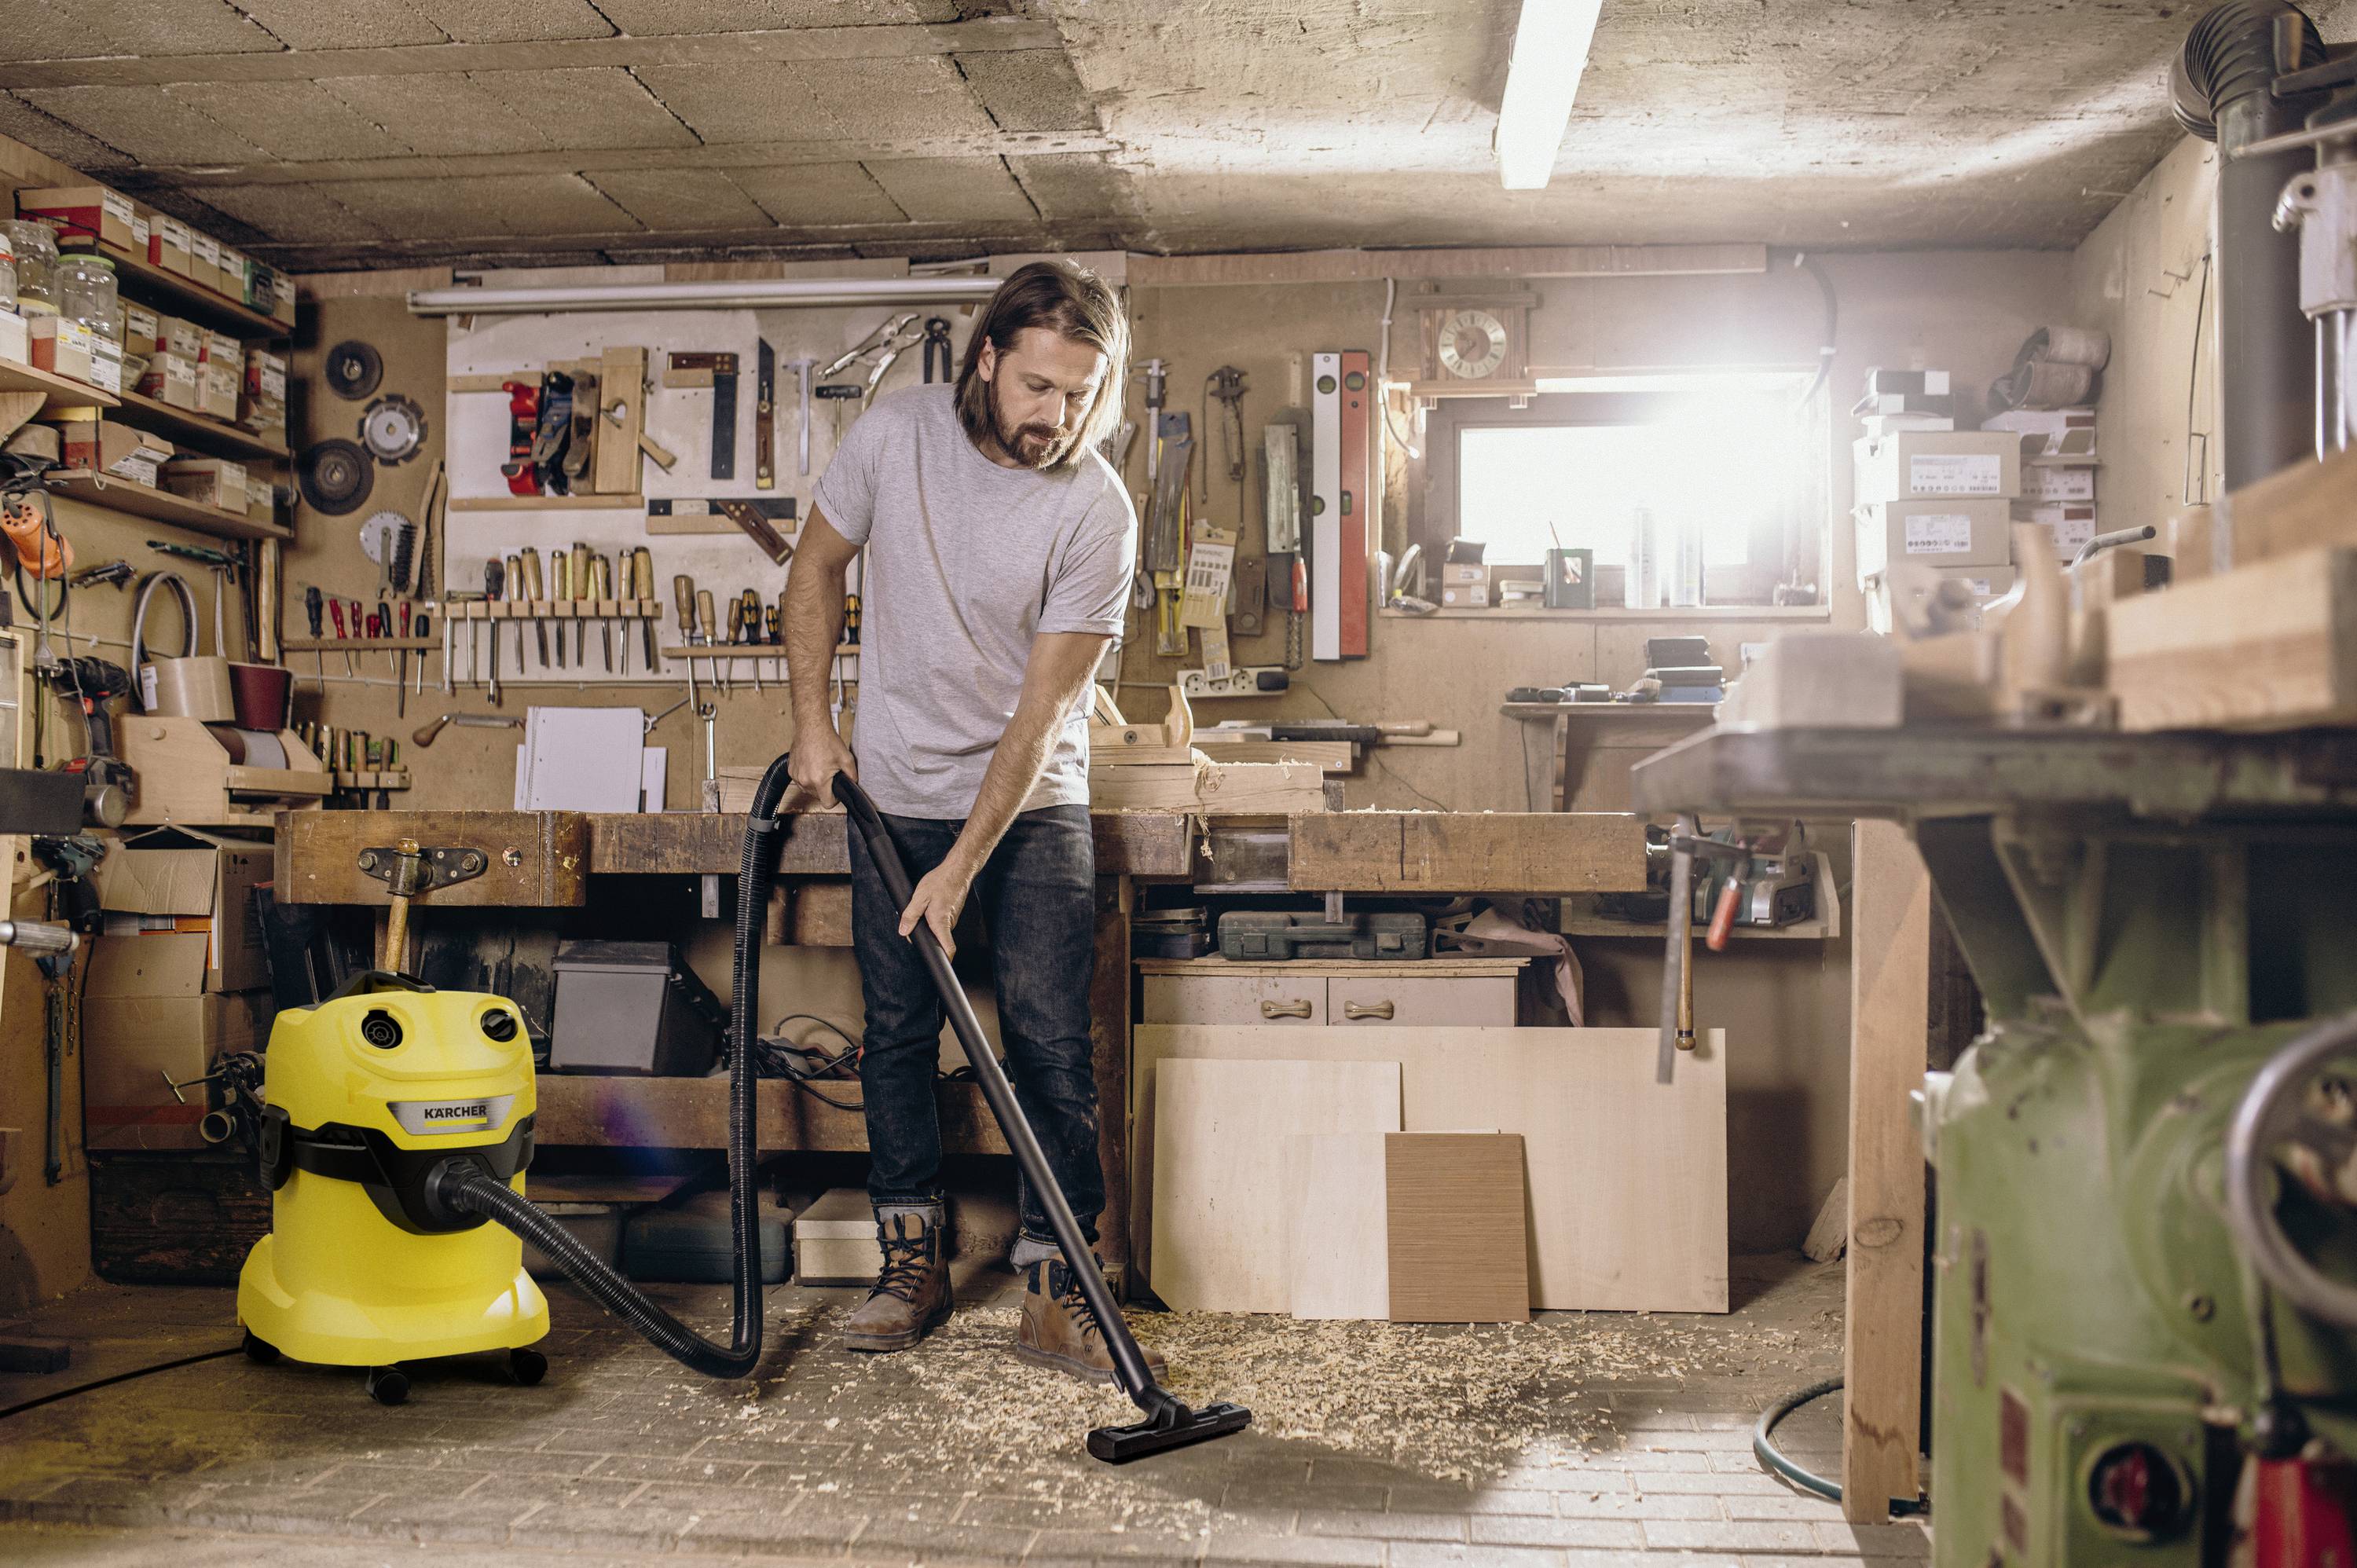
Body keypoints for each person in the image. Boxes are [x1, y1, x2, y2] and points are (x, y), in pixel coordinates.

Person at [783, 259, 1161, 1383]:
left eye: (1083, 396)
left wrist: (958, 868)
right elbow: (814, 570)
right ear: (989, 358)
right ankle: (913, 1261)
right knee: (897, 1033)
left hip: (1031, 804)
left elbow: (1042, 719)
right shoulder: (895, 440)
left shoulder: (1099, 511)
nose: (1059, 417)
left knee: (1049, 1038)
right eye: (1040, 387)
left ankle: (1058, 1285)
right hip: (892, 788)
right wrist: (814, 726)